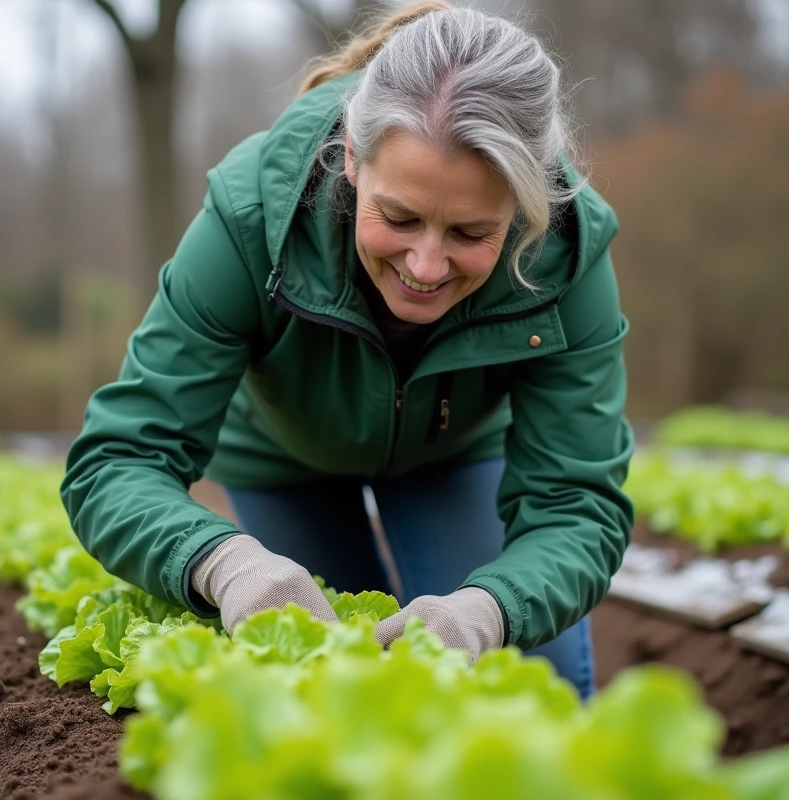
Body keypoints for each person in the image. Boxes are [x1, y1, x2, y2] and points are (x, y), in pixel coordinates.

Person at [60, 0, 633, 698]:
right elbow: (116, 462)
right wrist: (225, 564)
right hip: (284, 456)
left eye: (469, 233)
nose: (426, 266)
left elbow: (576, 506)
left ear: (524, 202)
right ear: (353, 158)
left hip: (453, 454)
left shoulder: (566, 255)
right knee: (325, 678)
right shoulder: (252, 216)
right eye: (400, 217)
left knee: (529, 683)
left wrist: (487, 613)